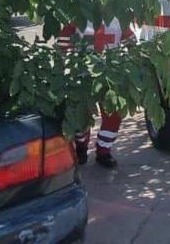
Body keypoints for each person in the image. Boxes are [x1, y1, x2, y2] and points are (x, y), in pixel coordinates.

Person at [57, 20, 134, 169]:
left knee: (113, 116)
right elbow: (63, 42)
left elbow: (131, 42)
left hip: (112, 76)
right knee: (81, 115)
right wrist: (62, 69)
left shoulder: (118, 14)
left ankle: (104, 151)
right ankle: (81, 148)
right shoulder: (79, 12)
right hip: (82, 75)